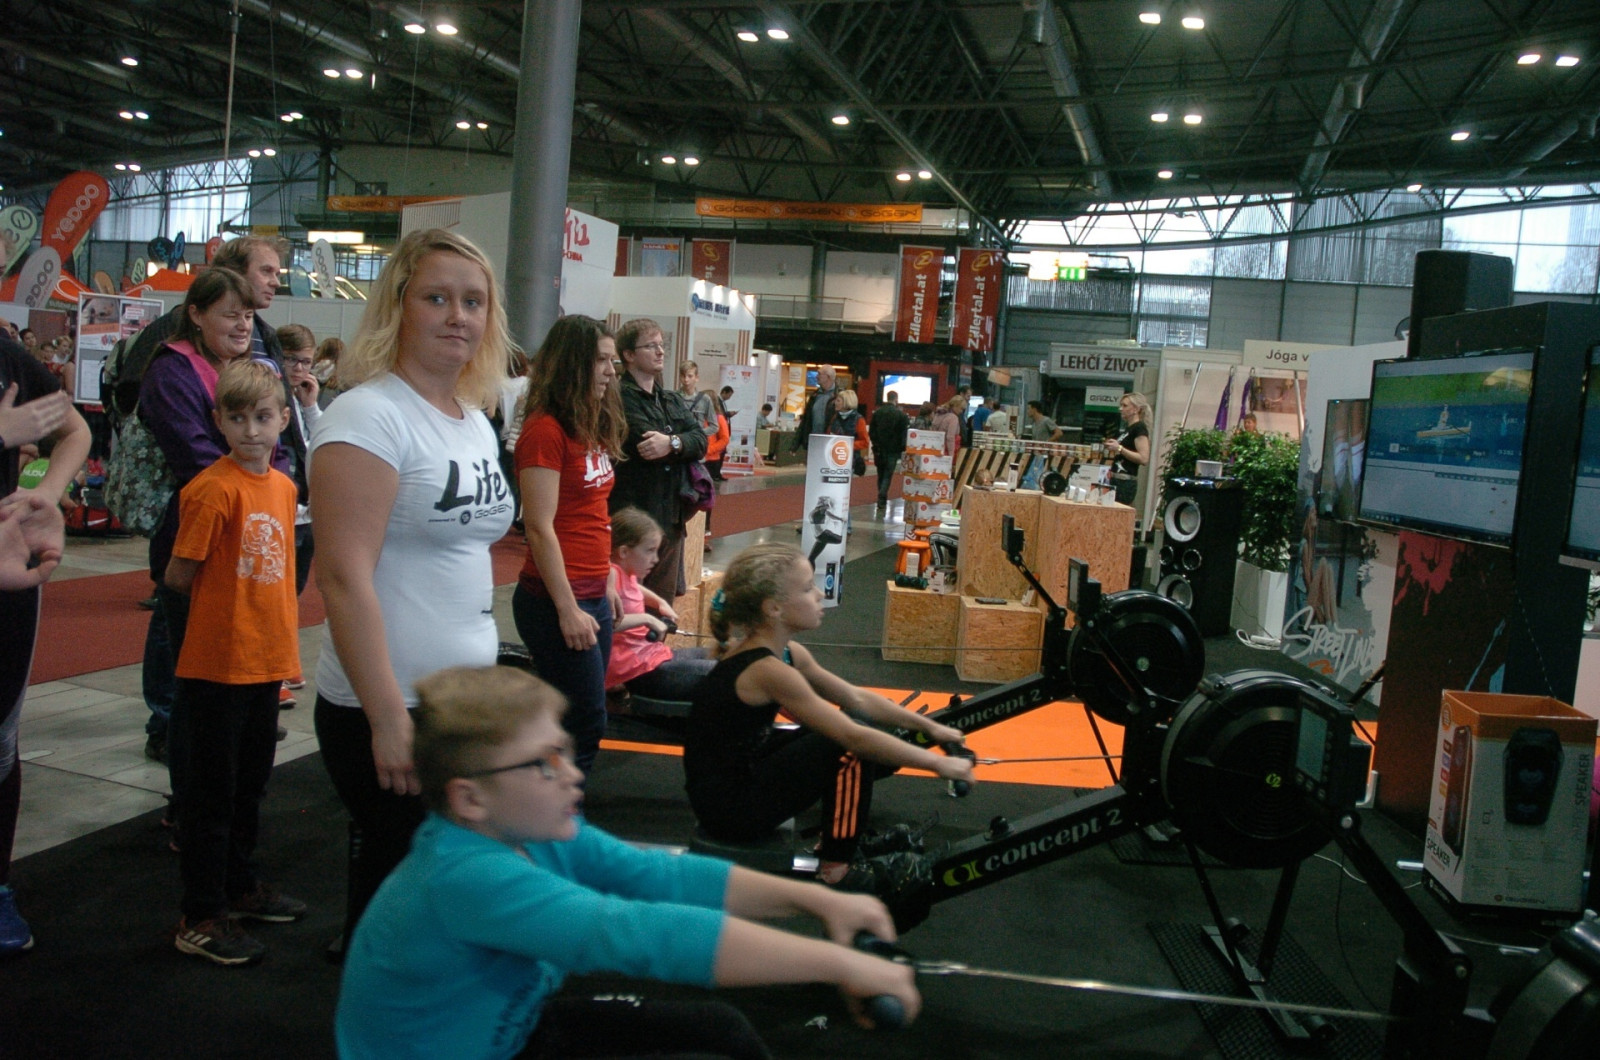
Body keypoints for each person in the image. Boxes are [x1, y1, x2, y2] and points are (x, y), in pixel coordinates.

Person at [335, 664, 919, 1060]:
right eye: (543, 763)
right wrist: (839, 964)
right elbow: (634, 933)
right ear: (470, 799)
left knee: (722, 1032)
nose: (572, 774)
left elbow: (660, 875)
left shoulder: (538, 832)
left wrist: (820, 901)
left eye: (566, 753)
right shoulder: (465, 874)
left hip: (513, 1031)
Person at [309, 228, 513, 942]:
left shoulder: (474, 421)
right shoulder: (368, 416)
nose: (458, 316)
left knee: (411, 890)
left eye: (473, 302)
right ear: (399, 305)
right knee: (417, 900)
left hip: (456, 703)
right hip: (391, 703)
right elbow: (341, 579)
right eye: (437, 298)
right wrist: (388, 717)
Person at [685, 543, 975, 894]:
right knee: (847, 747)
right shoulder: (768, 670)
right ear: (774, 608)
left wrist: (931, 727)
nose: (820, 594)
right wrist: (938, 764)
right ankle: (837, 868)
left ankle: (837, 839)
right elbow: (853, 737)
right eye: (807, 588)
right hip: (729, 811)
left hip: (735, 781)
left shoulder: (787, 654)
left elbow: (856, 698)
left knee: (848, 731)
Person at [128, 237, 304, 765]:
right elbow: (194, 455)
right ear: (196, 314)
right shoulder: (172, 370)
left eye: (247, 316)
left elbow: (280, 443)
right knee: (177, 625)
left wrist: (275, 483)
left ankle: (238, 721)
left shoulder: (250, 366)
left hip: (251, 517)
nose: (242, 325)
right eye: (231, 315)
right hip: (190, 516)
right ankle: (169, 723)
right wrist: (257, 483)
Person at [164, 360, 307, 965]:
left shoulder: (283, 487)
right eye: (238, 418)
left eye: (263, 417)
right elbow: (178, 575)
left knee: (250, 787)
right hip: (217, 666)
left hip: (265, 661)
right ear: (218, 421)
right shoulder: (211, 490)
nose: (252, 430)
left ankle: (238, 885)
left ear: (282, 420)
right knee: (211, 796)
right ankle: (200, 912)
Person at [0, 331, 91, 956]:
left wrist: (45, 494)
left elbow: (74, 430)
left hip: (8, 575)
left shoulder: (7, 356)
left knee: (1, 738)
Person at [513, 316, 624, 777]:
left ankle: (550, 802)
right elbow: (539, 527)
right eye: (601, 360)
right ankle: (552, 807)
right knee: (584, 720)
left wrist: (608, 576)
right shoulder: (545, 431)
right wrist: (566, 607)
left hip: (592, 591)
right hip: (557, 598)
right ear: (574, 364)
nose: (611, 371)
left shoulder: (588, 425)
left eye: (612, 361)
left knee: (582, 717)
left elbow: (593, 511)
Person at [609, 318, 707, 601]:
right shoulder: (619, 398)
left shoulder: (670, 399)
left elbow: (700, 440)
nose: (660, 351)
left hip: (670, 519)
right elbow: (647, 446)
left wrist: (672, 443)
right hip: (635, 518)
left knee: (662, 605)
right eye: (651, 346)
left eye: (661, 345)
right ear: (629, 354)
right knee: (629, 603)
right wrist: (679, 443)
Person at [606, 507, 716, 702]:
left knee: (723, 654)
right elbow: (606, 622)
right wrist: (648, 619)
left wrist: (659, 602)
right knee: (727, 670)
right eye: (649, 551)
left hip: (652, 657)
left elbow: (635, 589)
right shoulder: (611, 575)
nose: (655, 559)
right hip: (639, 671)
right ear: (623, 552)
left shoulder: (626, 574)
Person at [274, 323, 324, 705]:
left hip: (306, 513)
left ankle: (283, 658)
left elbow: (322, 443)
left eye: (306, 362)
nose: (299, 369)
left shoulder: (300, 399)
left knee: (292, 594)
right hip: (281, 510)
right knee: (274, 598)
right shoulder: (271, 397)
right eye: (292, 359)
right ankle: (271, 671)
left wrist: (310, 406)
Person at [1104, 391, 1151, 506]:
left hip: (1125, 482)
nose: (1121, 409)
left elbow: (1144, 458)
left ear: (1136, 409)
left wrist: (1120, 448)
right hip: (1116, 478)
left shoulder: (1139, 428)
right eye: (1121, 405)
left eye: (1125, 406)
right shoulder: (1128, 428)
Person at [868, 391, 909, 506]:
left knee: (880, 473)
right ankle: (882, 495)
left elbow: (872, 431)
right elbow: (904, 434)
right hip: (893, 450)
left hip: (879, 448)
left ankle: (881, 495)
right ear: (896, 399)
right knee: (888, 474)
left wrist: (875, 443)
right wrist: (902, 448)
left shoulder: (877, 413)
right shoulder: (901, 415)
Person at [791, 365, 839, 452]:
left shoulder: (840, 396)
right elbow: (805, 420)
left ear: (828, 377)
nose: (816, 377)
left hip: (831, 443)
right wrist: (795, 445)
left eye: (819, 374)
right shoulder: (814, 396)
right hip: (813, 442)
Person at [703, 390, 730, 481]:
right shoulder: (698, 416)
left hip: (711, 459)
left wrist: (710, 450)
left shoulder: (719, 418)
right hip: (697, 458)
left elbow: (725, 439)